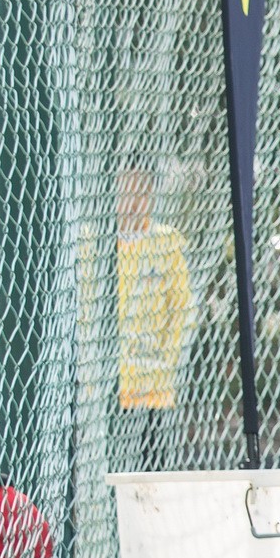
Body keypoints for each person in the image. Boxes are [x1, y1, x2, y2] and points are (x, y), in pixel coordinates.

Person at [96, 163, 194, 475]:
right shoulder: (95, 245)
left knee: (151, 470)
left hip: (152, 385)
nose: (133, 200)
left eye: (141, 190)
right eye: (126, 190)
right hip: (108, 386)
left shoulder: (166, 243)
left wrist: (165, 359)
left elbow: (180, 308)